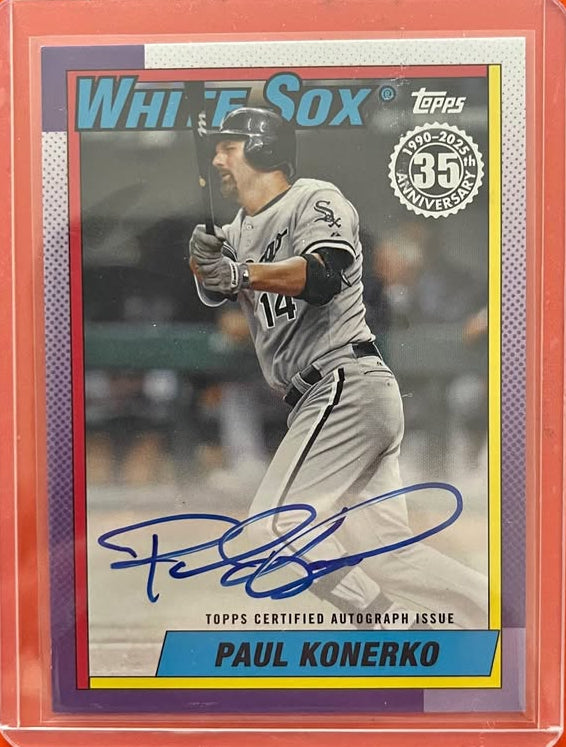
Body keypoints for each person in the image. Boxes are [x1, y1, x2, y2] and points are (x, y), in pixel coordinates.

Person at [189, 107, 487, 629]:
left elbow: (322, 276)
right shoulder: (237, 229)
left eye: (227, 148)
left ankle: (389, 627)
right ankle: (508, 615)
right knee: (390, 555)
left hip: (344, 383)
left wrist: (238, 272)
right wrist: (206, 265)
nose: (216, 159)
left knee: (269, 530)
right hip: (327, 395)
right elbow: (217, 290)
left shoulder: (314, 199)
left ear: (262, 149)